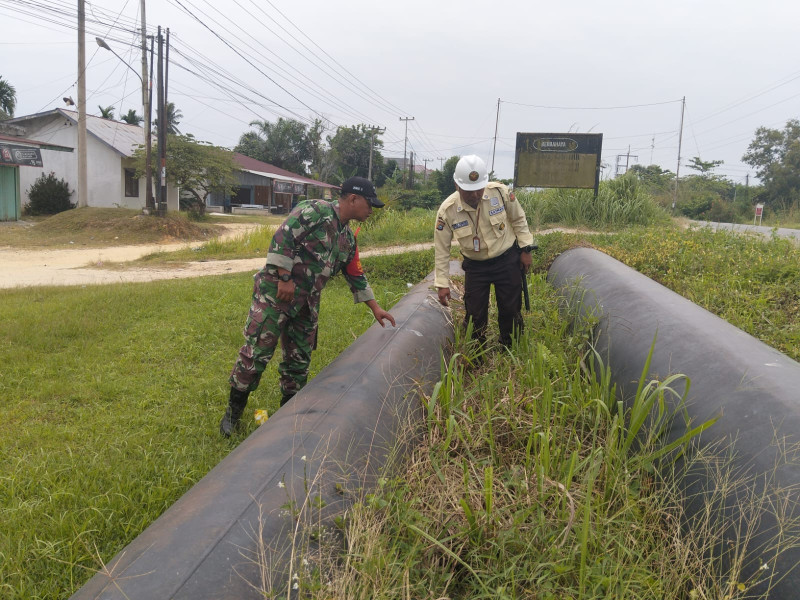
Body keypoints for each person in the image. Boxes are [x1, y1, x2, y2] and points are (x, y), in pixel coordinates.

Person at [220, 176, 397, 436]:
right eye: (369, 204)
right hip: (275, 294)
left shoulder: (347, 238)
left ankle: (288, 415)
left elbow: (355, 274)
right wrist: (284, 278)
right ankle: (232, 415)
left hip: (306, 303)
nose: (371, 210)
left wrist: (375, 308)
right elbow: (282, 238)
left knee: (298, 360)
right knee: (257, 353)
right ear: (353, 199)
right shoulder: (315, 211)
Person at [433, 155, 534, 347]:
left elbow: (519, 220)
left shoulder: (501, 193)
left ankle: (510, 349)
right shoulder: (447, 211)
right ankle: (476, 354)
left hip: (507, 260)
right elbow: (442, 250)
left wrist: (525, 249)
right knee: (475, 314)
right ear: (457, 185)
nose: (474, 196)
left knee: (510, 309)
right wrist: (442, 283)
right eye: (468, 191)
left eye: (478, 190)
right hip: (476, 267)